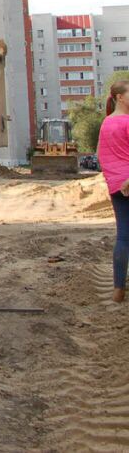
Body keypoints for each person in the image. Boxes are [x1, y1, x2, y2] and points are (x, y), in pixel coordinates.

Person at [97, 80, 129, 302]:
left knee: (124, 236)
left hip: (117, 186)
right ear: (120, 97)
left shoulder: (106, 123)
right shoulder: (127, 122)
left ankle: (118, 290)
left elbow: (102, 157)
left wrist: (115, 181)